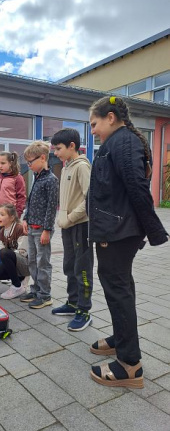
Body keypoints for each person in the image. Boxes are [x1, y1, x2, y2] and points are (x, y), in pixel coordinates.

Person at [88, 95, 168, 389]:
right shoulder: (120, 141)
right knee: (120, 287)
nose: (93, 130)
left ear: (111, 117)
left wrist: (155, 230)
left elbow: (136, 187)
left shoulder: (122, 142)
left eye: (94, 124)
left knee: (118, 289)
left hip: (117, 230)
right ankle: (121, 341)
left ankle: (129, 365)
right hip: (117, 228)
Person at [51, 128, 94, 332]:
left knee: (82, 270)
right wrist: (63, 219)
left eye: (58, 149)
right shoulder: (67, 167)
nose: (56, 153)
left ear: (72, 146)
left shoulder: (82, 167)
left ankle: (84, 311)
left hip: (81, 227)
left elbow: (90, 199)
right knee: (69, 265)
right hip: (68, 227)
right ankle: (72, 303)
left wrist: (69, 218)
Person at [20, 141, 59, 309]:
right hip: (32, 227)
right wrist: (25, 218)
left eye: (30, 162)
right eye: (27, 162)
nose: (28, 165)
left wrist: (47, 230)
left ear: (43, 158)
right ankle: (35, 290)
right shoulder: (37, 178)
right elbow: (30, 202)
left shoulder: (51, 180)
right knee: (32, 262)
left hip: (42, 229)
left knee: (43, 262)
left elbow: (51, 207)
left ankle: (45, 295)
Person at [0, 151, 26, 265]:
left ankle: (10, 267)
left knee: (10, 243)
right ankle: (0, 265)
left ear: (11, 163)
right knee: (0, 242)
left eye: (3, 163)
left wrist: (16, 214)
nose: (0, 166)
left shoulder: (17, 178)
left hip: (9, 218)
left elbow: (21, 197)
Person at [0, 204, 30, 299]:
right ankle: (18, 279)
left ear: (11, 217)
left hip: (26, 264)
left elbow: (23, 252)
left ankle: (17, 286)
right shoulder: (1, 232)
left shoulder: (19, 228)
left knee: (4, 252)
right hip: (14, 261)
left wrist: (9, 256)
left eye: (2, 214)